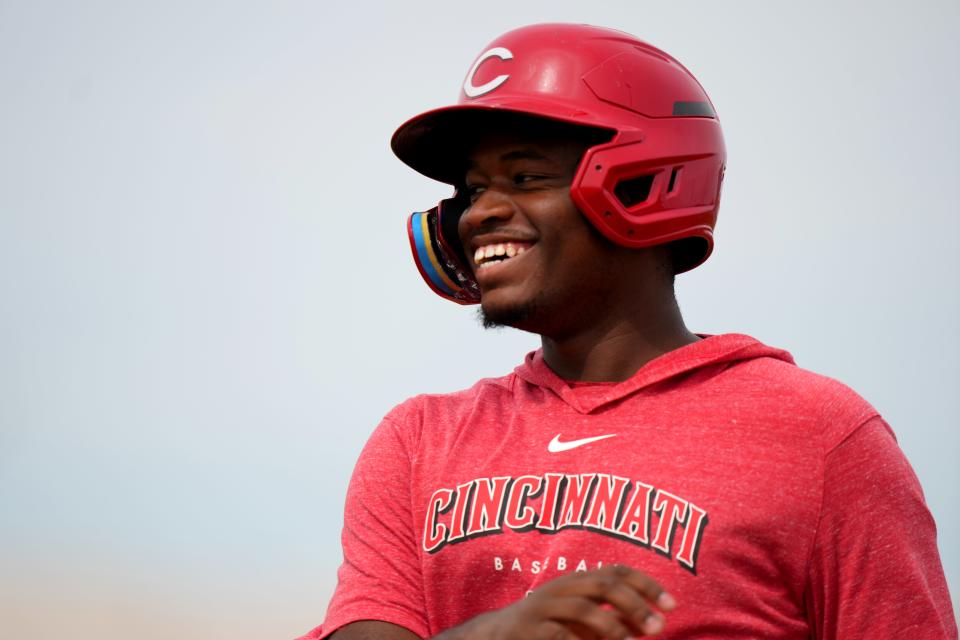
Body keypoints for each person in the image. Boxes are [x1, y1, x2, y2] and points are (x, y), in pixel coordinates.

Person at [299, 23, 956, 639]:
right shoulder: (419, 442)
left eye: (525, 177)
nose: (480, 214)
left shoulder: (822, 438)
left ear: (645, 184)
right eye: (472, 190)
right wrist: (498, 632)